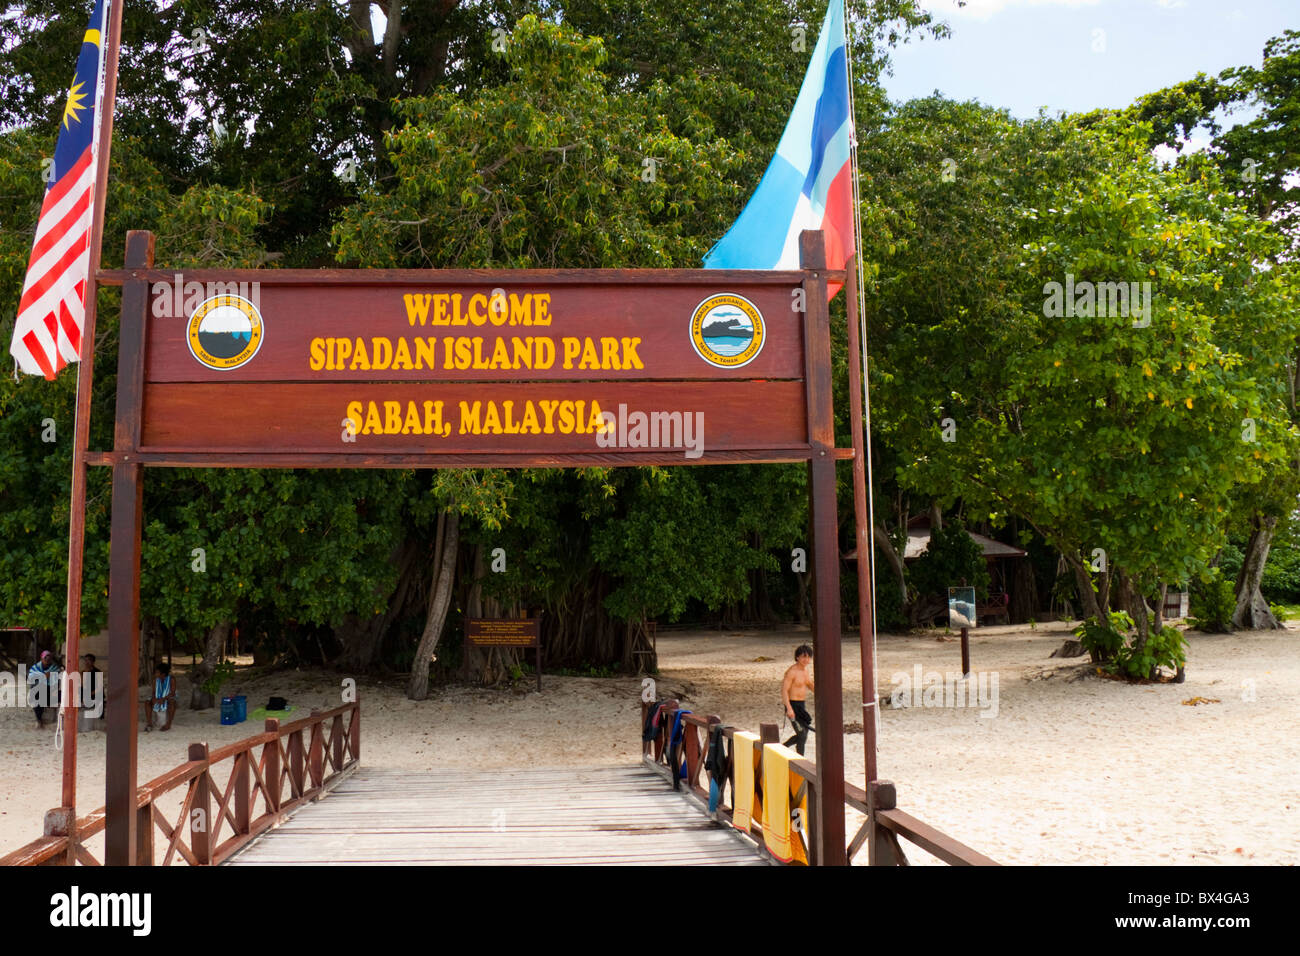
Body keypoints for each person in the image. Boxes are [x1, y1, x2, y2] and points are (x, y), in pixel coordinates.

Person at [781, 644, 815, 756]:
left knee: (804, 731)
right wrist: (789, 709)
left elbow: (809, 684)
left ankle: (783, 748)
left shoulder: (805, 671)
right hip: (792, 704)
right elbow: (784, 691)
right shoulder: (792, 672)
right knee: (801, 733)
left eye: (808, 657)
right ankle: (796, 754)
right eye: (803, 657)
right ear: (797, 657)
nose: (806, 660)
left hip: (801, 704)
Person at [28, 650, 61, 729]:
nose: (47, 660)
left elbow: (55, 684)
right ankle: (39, 720)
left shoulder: (54, 668)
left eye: (49, 658)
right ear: (41, 659)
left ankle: (39, 720)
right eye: (45, 658)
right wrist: (44, 676)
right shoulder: (35, 668)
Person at [146, 662, 176, 732]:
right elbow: (153, 692)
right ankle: (149, 724)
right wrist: (154, 698)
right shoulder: (155, 680)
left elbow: (172, 693)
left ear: (163, 674)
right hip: (158, 696)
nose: (155, 674)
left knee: (172, 702)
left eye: (157, 672)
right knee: (147, 702)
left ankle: (168, 724)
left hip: (168, 697)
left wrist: (163, 699)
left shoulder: (171, 679)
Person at [79, 654, 105, 733]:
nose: (86, 662)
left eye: (89, 660)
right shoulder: (83, 672)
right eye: (85, 660)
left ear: (93, 662)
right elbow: (82, 686)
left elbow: (99, 688)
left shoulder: (97, 672)